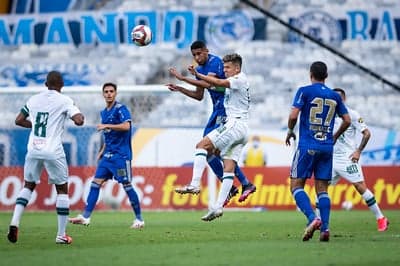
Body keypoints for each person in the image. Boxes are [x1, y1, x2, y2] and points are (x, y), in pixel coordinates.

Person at [168, 40, 256, 204]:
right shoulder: (200, 69)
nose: (197, 57)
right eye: (194, 55)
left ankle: (238, 184)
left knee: (206, 146)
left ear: (206, 51)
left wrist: (183, 78)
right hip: (216, 110)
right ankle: (242, 184)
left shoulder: (216, 62)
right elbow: (199, 95)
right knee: (207, 151)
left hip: (226, 109)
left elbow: (210, 83)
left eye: (199, 53)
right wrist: (180, 88)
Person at [7, 71, 85, 244]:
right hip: (53, 150)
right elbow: (79, 120)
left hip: (33, 148)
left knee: (28, 185)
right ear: (62, 85)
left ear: (45, 84)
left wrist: (35, 126)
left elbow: (18, 120)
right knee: (62, 189)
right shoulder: (65, 101)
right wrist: (78, 114)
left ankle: (14, 222)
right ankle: (61, 235)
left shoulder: (34, 99)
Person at [285, 61, 351, 242]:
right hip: (326, 147)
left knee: (296, 186)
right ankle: (326, 229)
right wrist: (335, 136)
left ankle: (313, 219)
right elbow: (347, 120)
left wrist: (290, 130)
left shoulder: (304, 91)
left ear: (310, 74)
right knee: (322, 189)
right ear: (326, 76)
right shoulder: (334, 96)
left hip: (307, 145)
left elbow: (293, 116)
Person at [69, 82, 144, 229]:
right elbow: (108, 134)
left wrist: (107, 126)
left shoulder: (121, 109)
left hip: (121, 156)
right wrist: (103, 149)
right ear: (103, 94)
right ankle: (85, 217)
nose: (109, 94)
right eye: (106, 92)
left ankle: (139, 219)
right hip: (108, 156)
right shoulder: (104, 112)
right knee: (95, 183)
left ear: (115, 93)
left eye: (111, 91)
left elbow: (126, 126)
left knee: (127, 185)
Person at [315, 88, 389, 231]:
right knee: (321, 189)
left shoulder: (352, 115)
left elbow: (367, 133)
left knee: (360, 187)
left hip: (347, 159)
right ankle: (318, 222)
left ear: (344, 99)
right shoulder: (325, 115)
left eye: (339, 98)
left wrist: (358, 151)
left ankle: (381, 218)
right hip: (330, 159)